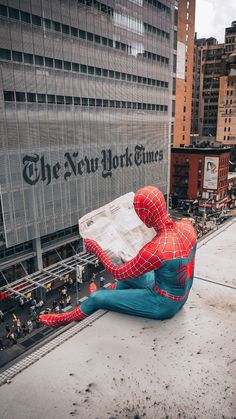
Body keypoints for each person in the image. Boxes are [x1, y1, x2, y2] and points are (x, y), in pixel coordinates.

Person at [39, 186, 197, 327]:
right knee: (128, 272)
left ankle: (64, 318)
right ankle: (116, 292)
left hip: (163, 303)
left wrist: (97, 249)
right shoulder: (186, 225)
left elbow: (117, 272)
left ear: (145, 216)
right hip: (180, 296)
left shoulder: (155, 249)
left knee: (97, 298)